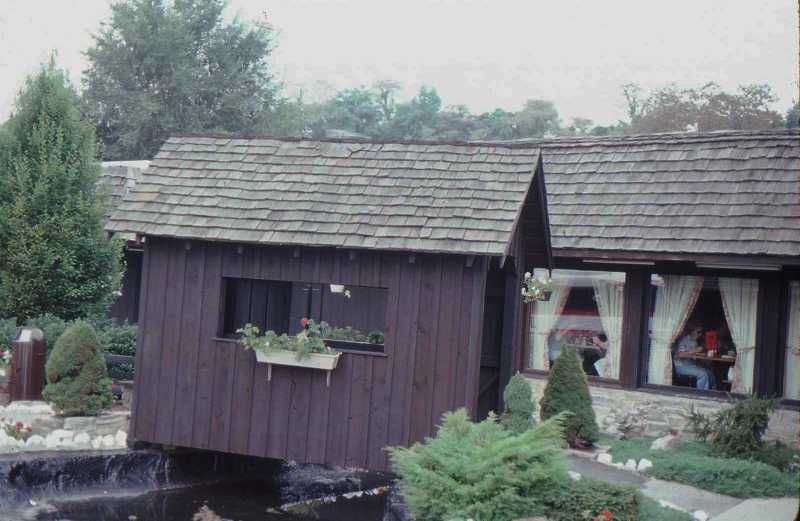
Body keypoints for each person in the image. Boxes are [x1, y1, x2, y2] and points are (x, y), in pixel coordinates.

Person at [674, 323, 716, 390]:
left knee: (710, 373)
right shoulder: (684, 340)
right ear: (692, 331)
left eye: (701, 332)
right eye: (698, 332)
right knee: (703, 374)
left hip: (690, 365)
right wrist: (695, 351)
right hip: (681, 366)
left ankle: (712, 392)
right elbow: (680, 355)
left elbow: (692, 354)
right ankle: (702, 394)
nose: (700, 334)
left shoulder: (694, 341)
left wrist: (701, 354)